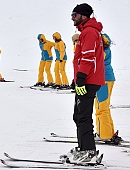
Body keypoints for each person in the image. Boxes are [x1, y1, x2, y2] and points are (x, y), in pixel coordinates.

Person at [70, 3, 105, 163]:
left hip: (89, 81)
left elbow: (88, 58)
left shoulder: (89, 32)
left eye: (74, 15)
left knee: (83, 117)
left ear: (83, 16)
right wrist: (76, 79)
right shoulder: (87, 32)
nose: (72, 19)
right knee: (78, 116)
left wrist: (82, 79)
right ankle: (83, 148)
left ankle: (89, 152)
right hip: (86, 79)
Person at [94, 33, 122, 144]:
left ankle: (103, 134)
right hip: (109, 78)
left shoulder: (101, 51)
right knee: (105, 107)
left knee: (101, 108)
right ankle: (108, 132)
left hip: (102, 80)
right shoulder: (106, 49)